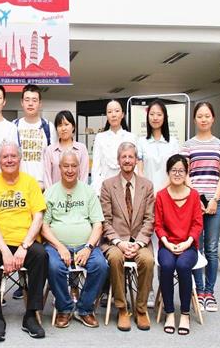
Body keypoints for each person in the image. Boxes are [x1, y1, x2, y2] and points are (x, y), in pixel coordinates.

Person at [0, 140, 47, 342]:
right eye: (5, 157)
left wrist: (24, 246)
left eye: (13, 156)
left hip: (26, 241)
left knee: (41, 255)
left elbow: (38, 218)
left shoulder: (30, 183)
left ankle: (30, 315)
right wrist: (5, 251)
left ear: (20, 159)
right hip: (0, 242)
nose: (9, 160)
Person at [42, 150, 109, 328]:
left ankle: (84, 309)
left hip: (85, 245)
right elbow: (44, 226)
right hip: (56, 246)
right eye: (66, 166)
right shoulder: (50, 192)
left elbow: (98, 225)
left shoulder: (88, 192)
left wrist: (88, 247)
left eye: (74, 166)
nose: (70, 170)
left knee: (101, 266)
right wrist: (59, 247)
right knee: (53, 266)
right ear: (59, 167)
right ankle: (64, 308)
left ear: (79, 168)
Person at [100, 142, 155, 332]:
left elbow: (149, 219)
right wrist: (119, 242)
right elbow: (105, 220)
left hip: (139, 241)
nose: (127, 160)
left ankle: (141, 309)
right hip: (115, 241)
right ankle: (122, 308)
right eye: (123, 157)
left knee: (148, 260)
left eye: (131, 156)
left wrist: (138, 243)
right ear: (118, 160)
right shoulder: (108, 185)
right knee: (115, 258)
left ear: (136, 160)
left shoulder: (147, 186)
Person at [180, 102, 220, 312]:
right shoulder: (188, 145)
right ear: (194, 119)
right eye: (200, 116)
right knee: (196, 248)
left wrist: (215, 199)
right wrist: (197, 200)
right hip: (195, 204)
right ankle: (199, 292)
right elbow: (185, 175)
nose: (203, 119)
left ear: (213, 118)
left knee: (212, 249)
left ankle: (210, 292)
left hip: (215, 202)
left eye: (207, 115)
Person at [137, 99, 179, 308]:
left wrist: (160, 192)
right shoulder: (141, 142)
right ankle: (150, 291)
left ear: (164, 117)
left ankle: (165, 290)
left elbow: (175, 172)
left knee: (165, 244)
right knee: (148, 246)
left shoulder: (173, 143)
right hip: (146, 200)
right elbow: (139, 171)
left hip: (167, 198)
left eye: (159, 114)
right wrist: (149, 192)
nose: (155, 117)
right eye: (152, 114)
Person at [154, 154, 203, 335]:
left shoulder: (194, 195)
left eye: (181, 170)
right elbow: (158, 225)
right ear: (168, 172)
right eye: (173, 170)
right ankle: (169, 312)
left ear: (186, 173)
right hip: (167, 245)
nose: (177, 174)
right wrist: (167, 243)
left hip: (188, 245)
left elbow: (197, 224)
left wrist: (187, 243)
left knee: (183, 265)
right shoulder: (161, 196)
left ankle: (184, 313)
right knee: (167, 265)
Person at [13, 83, 57, 190]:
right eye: (27, 100)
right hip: (19, 186)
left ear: (40, 103)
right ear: (22, 102)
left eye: (34, 100)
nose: (30, 104)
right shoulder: (14, 126)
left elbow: (54, 160)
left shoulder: (48, 127)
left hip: (43, 186)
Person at [91, 100, 136, 195]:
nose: (113, 115)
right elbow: (96, 167)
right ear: (106, 116)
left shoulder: (131, 137)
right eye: (110, 112)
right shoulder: (100, 137)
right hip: (105, 189)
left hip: (126, 189)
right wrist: (97, 189)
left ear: (122, 114)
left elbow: (135, 166)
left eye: (117, 111)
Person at [43, 110, 89, 187]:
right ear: (56, 129)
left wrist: (81, 193)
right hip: (55, 193)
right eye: (60, 125)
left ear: (73, 127)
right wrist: (51, 193)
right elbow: (47, 177)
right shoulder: (49, 150)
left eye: (66, 124)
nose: (63, 128)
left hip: (77, 193)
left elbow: (84, 176)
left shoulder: (81, 149)